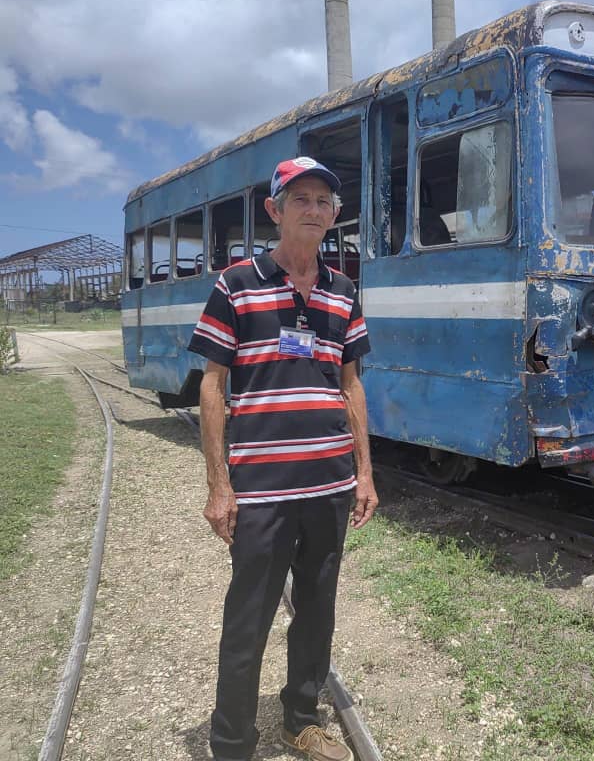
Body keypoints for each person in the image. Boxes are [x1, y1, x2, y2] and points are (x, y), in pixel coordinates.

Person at [189, 156, 378, 761]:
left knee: (317, 613)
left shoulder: (343, 292)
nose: (315, 209)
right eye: (302, 199)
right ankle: (232, 743)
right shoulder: (236, 284)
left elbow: (350, 386)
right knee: (248, 620)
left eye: (324, 200)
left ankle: (300, 718)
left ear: (334, 214)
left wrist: (365, 474)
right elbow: (212, 386)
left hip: (328, 484)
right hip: (263, 489)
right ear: (274, 210)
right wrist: (220, 486)